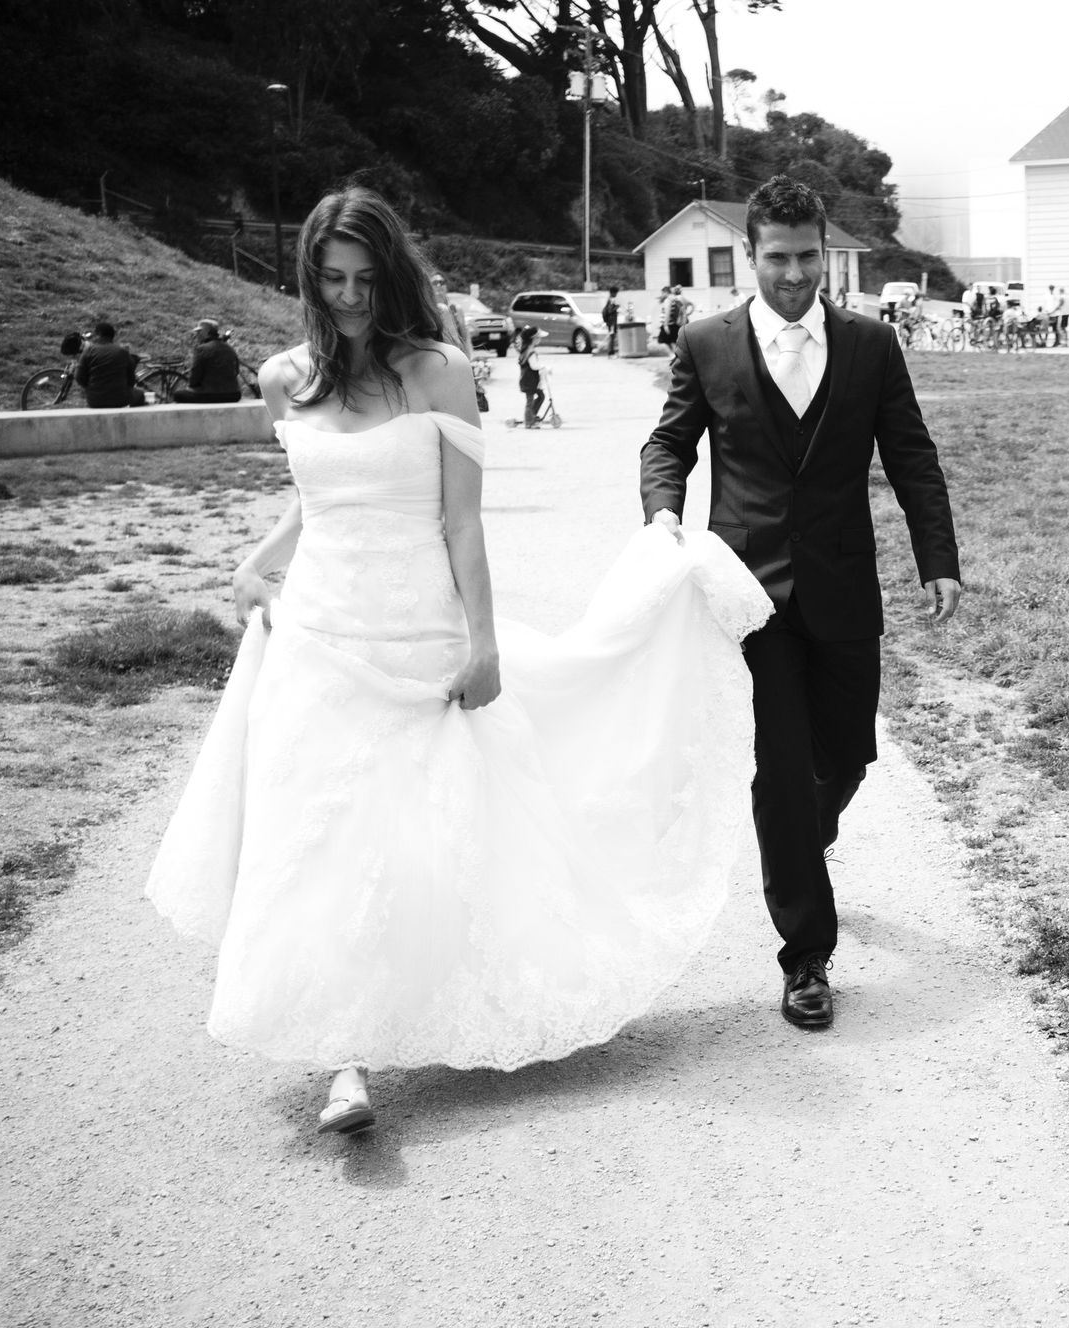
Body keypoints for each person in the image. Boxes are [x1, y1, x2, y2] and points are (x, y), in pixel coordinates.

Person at [145, 186, 770, 1134]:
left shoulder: (438, 371)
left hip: (418, 628)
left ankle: (430, 1002)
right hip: (317, 628)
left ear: (389, 274)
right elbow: (319, 498)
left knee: (420, 837)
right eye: (333, 280)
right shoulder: (284, 378)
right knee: (311, 833)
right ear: (310, 280)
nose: (350, 297)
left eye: (365, 278)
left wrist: (482, 643)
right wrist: (254, 561)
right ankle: (341, 1060)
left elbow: (460, 522)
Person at [641, 174, 961, 1031]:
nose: (793, 274)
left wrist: (939, 559)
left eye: (807, 256)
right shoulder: (706, 342)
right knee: (781, 770)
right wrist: (664, 517)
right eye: (776, 258)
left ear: (828, 253)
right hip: (748, 595)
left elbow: (912, 456)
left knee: (846, 756)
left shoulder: (869, 346)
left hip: (845, 582)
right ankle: (806, 955)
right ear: (750, 257)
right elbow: (668, 443)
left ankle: (806, 839)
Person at [173, 319, 243, 403]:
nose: (197, 335)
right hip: (234, 394)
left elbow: (195, 376)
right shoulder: (229, 348)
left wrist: (193, 386)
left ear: (206, 333)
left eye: (199, 332)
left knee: (178, 395)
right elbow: (236, 371)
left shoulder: (202, 349)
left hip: (210, 394)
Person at [78, 322, 143, 408]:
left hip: (94, 400)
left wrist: (89, 387)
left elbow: (79, 376)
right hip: (121, 399)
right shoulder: (122, 352)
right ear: (112, 336)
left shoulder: (89, 352)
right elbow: (131, 378)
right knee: (140, 394)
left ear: (99, 335)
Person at [429, 273, 471, 357]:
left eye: (442, 282)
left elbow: (465, 337)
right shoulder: (429, 310)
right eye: (435, 282)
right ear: (429, 287)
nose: (439, 285)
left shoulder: (456, 309)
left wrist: (468, 358)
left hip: (457, 354)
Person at [514, 324, 545, 426]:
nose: (539, 339)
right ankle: (528, 422)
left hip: (530, 380)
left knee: (541, 396)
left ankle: (532, 415)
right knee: (530, 401)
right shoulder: (530, 352)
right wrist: (544, 367)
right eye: (538, 337)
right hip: (529, 381)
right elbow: (534, 366)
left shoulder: (528, 350)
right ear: (534, 339)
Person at [601, 285, 621, 356]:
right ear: (613, 293)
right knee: (612, 335)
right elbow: (610, 311)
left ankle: (611, 350)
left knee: (612, 335)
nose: (616, 295)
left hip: (611, 321)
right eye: (615, 293)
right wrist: (616, 308)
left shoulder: (610, 299)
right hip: (611, 321)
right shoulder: (611, 300)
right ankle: (610, 351)